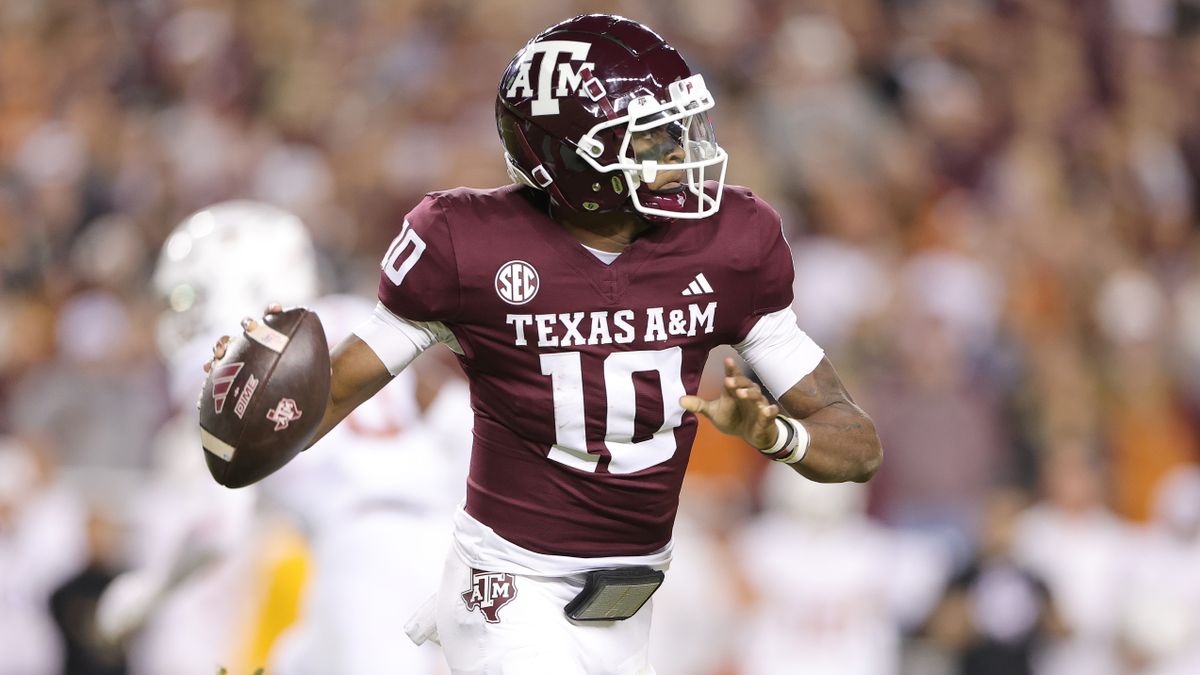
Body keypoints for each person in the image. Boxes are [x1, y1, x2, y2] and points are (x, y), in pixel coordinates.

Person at [211, 13, 882, 674]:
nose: (680, 154)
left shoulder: (733, 242)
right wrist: (251, 408)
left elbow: (857, 444)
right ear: (571, 158)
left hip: (627, 595)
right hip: (508, 582)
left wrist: (777, 437)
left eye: (677, 130)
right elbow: (334, 389)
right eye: (649, 140)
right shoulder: (464, 244)